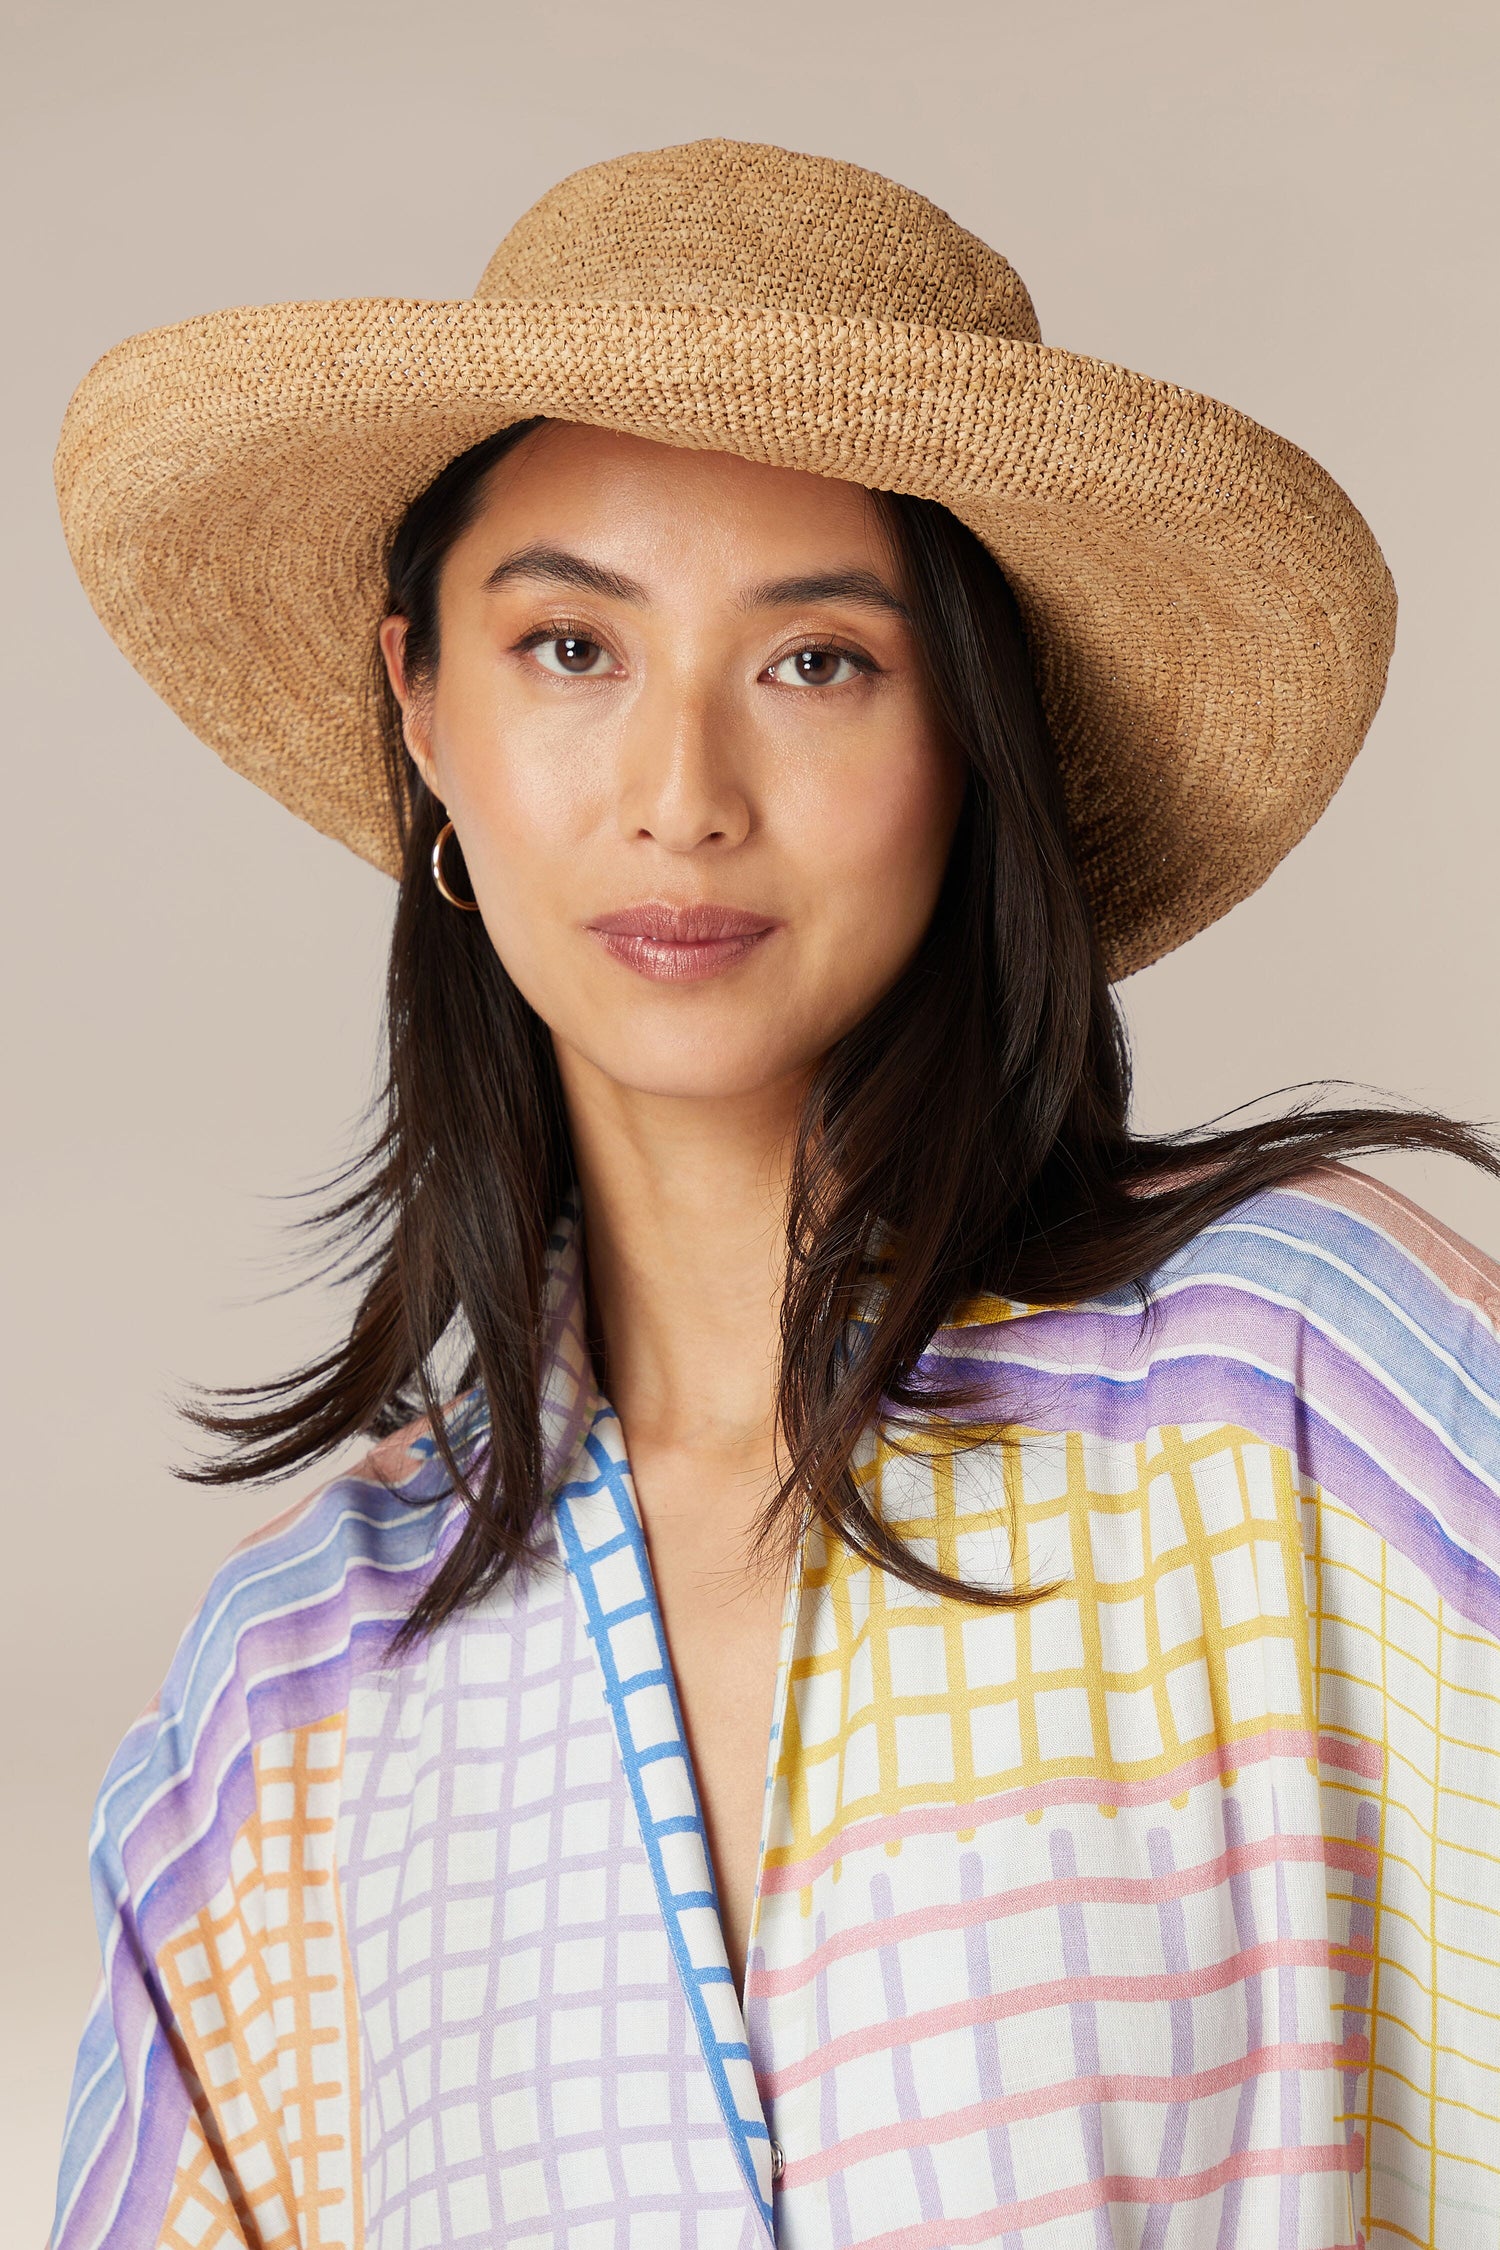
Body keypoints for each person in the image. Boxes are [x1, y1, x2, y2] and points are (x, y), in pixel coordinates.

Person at [48, 140, 1500, 2250]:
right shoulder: (286, 1693)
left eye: (819, 661)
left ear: (969, 743)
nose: (681, 798)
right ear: (419, 707)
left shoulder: (1313, 1389)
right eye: (569, 648)